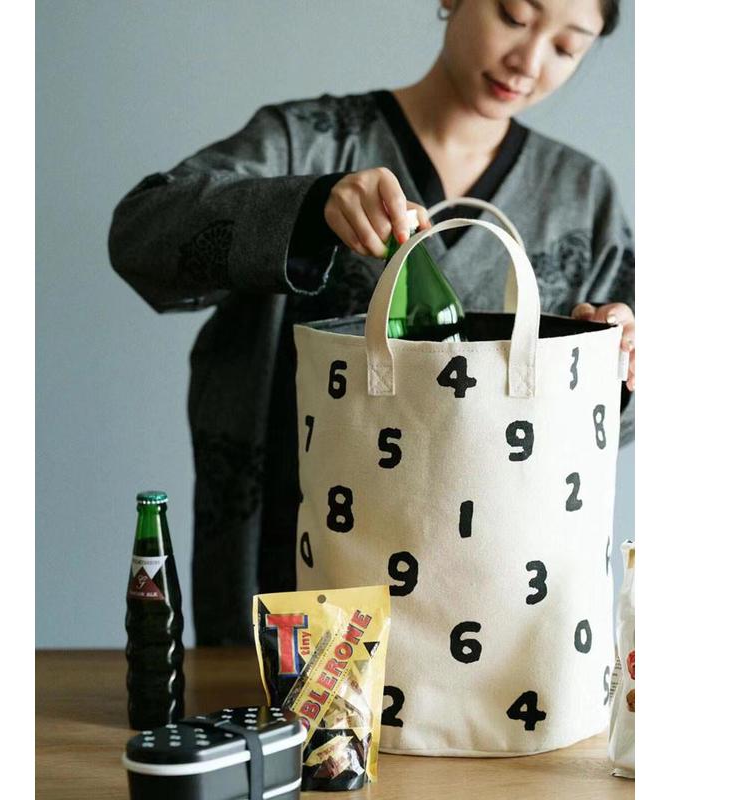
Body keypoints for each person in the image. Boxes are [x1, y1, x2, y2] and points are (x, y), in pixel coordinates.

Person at [108, 0, 635, 645]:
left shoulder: (583, 195)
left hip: (493, 597)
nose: (528, 61)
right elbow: (139, 235)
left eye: (566, 47)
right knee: (285, 706)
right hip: (292, 548)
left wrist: (619, 359)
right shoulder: (307, 139)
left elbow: (606, 429)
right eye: (514, 15)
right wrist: (311, 207)